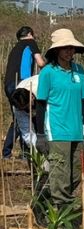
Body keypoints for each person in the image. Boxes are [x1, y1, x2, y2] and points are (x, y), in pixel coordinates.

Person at [35, 29, 84, 211]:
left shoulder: (80, 72)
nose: (69, 51)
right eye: (65, 48)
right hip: (56, 129)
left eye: (72, 48)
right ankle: (62, 212)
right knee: (60, 172)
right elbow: (41, 104)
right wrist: (40, 134)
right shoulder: (48, 73)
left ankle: (42, 200)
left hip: (76, 130)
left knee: (75, 174)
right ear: (56, 50)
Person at [4, 26, 46, 159]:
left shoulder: (16, 47)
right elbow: (40, 63)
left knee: (18, 117)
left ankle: (8, 152)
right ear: (29, 34)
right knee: (26, 117)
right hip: (23, 84)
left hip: (9, 84)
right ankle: (26, 152)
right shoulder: (30, 43)